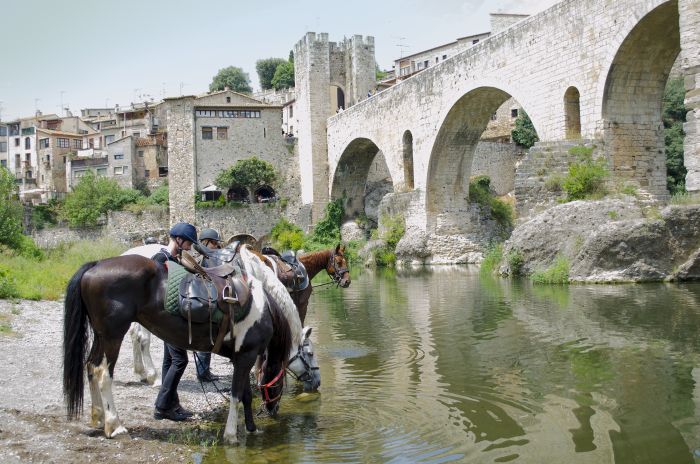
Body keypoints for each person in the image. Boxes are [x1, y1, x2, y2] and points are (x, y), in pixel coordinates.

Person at [151, 222, 198, 422]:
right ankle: (162, 406)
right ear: (178, 240)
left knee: (169, 361)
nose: (189, 247)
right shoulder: (161, 259)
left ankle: (172, 404)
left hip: (166, 319)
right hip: (167, 318)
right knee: (180, 360)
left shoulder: (171, 258)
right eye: (188, 243)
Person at [194, 228, 223, 382]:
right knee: (207, 337)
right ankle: (203, 373)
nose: (216, 246)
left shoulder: (197, 256)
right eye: (214, 243)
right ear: (207, 242)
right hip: (205, 301)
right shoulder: (205, 258)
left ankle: (204, 371)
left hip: (202, 299)